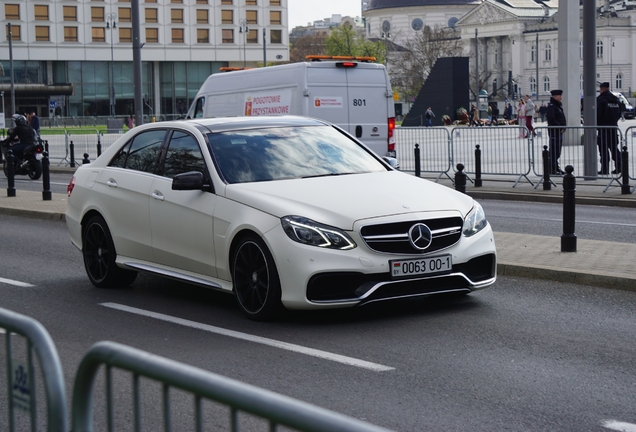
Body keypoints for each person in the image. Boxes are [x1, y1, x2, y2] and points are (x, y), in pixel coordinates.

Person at [596, 82, 623, 175]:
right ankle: (619, 167)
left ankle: (604, 169)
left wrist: (597, 124)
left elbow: (598, 114)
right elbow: (619, 113)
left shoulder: (600, 100)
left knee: (603, 149)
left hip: (603, 128)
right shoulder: (615, 99)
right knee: (614, 148)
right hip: (613, 127)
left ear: (602, 89)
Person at [546, 89, 566, 175]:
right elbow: (551, 119)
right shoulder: (552, 106)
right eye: (560, 96)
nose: (561, 97)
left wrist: (563, 127)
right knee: (554, 149)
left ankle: (555, 166)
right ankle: (552, 168)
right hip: (554, 130)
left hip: (558, 130)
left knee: (557, 150)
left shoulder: (557, 106)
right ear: (555, 97)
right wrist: (559, 126)